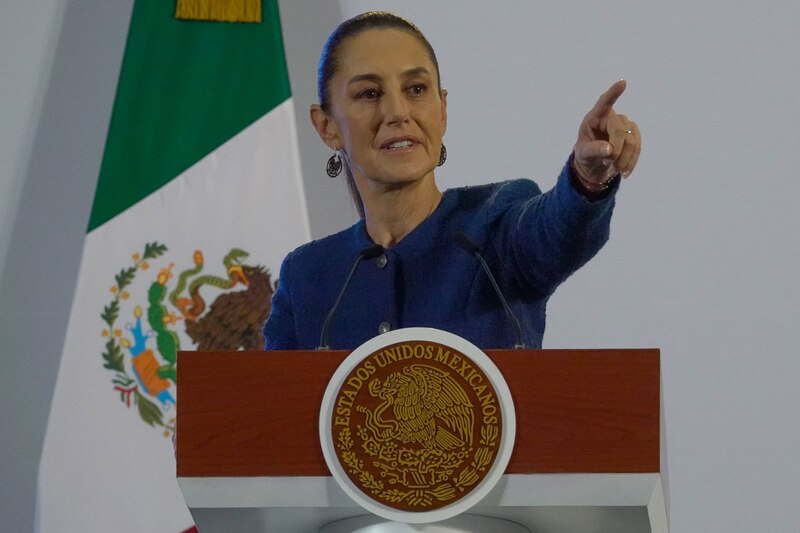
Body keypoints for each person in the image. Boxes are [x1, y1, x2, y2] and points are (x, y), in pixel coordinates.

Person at [263, 11, 641, 351]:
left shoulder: (495, 226)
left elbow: (557, 230)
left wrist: (587, 177)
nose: (397, 112)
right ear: (326, 126)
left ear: (442, 111)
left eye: (416, 89)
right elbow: (265, 414)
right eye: (369, 93)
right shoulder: (306, 277)